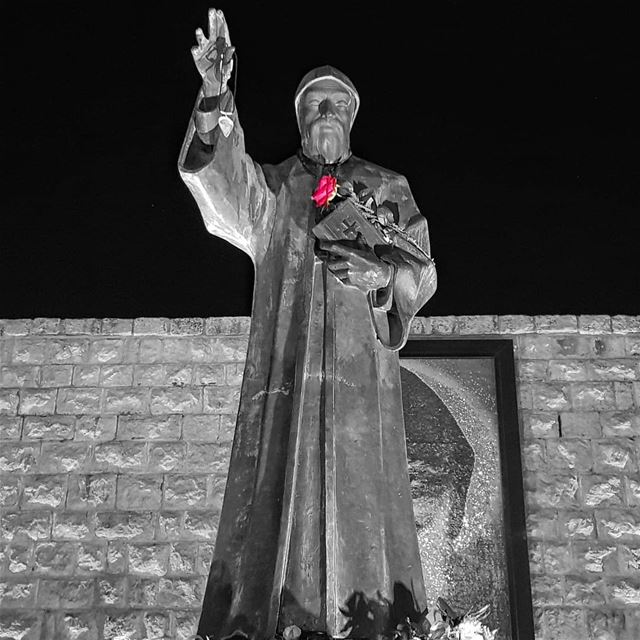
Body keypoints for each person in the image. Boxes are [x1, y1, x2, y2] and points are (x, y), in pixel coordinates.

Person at [178, 9, 437, 640]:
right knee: (274, 499)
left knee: (365, 502)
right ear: (300, 118)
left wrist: (383, 284)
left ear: (351, 116)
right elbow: (219, 181)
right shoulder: (275, 189)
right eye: (313, 103)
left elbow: (419, 273)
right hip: (286, 378)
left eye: (336, 103)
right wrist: (215, 99)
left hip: (360, 389)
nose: (325, 111)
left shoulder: (385, 187)